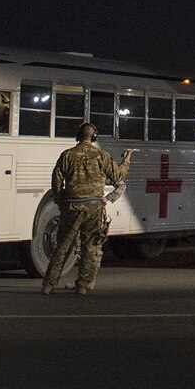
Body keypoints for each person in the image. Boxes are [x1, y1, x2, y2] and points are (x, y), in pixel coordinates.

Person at [42, 123, 130, 295]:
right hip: (94, 207)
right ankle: (82, 285)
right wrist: (126, 161)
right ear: (94, 137)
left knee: (62, 247)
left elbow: (57, 181)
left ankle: (49, 284)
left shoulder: (67, 155)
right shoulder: (101, 155)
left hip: (72, 206)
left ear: (78, 135)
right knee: (90, 247)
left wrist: (61, 202)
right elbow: (118, 175)